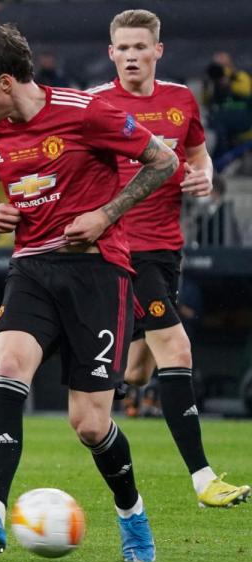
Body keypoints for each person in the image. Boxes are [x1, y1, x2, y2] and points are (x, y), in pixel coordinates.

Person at [0, 24, 179, 562]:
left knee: (90, 424)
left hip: (98, 272)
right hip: (30, 268)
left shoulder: (87, 111)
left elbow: (164, 160)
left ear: (5, 82)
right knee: (9, 365)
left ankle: (131, 512)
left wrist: (106, 214)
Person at [89, 9, 249, 508]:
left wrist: (202, 178)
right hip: (117, 249)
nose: (132, 55)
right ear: (111, 52)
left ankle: (92, 389)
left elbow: (197, 155)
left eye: (141, 47)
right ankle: (204, 481)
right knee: (176, 350)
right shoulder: (94, 105)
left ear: (158, 51)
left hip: (166, 249)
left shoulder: (181, 100)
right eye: (123, 48)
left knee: (137, 372)